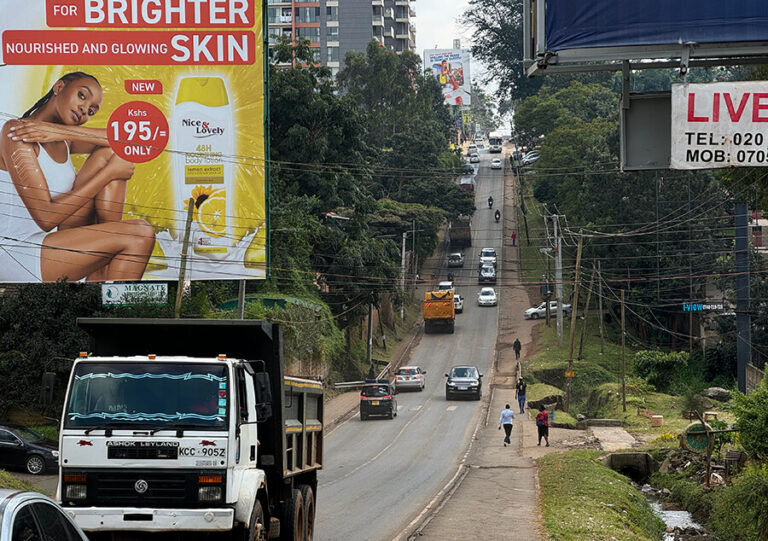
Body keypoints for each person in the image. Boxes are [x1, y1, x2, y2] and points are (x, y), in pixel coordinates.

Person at [0, 71, 156, 282]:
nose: (84, 110)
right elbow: (46, 218)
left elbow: (128, 141)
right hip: (18, 252)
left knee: (110, 152)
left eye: (92, 110)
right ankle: (112, 305)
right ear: (59, 87)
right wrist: (109, 174)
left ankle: (104, 263)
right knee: (140, 234)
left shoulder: (65, 141)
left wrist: (64, 133)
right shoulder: (16, 132)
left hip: (54, 243)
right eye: (82, 96)